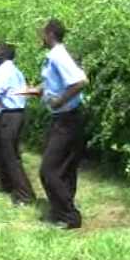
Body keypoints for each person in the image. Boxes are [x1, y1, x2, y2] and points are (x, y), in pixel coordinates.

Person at [19, 19, 88, 229]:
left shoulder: (58, 55)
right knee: (64, 168)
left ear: (50, 34)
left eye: (42, 33)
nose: (40, 37)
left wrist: (59, 101)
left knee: (49, 170)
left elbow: (80, 81)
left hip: (69, 119)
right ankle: (60, 213)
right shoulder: (54, 57)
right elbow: (55, 83)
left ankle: (69, 216)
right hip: (63, 118)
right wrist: (38, 90)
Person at [0, 43, 36, 205]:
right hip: (11, 113)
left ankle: (25, 195)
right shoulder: (9, 69)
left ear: (4, 54)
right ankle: (9, 185)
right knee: (5, 152)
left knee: (11, 155)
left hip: (11, 115)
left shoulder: (5, 70)